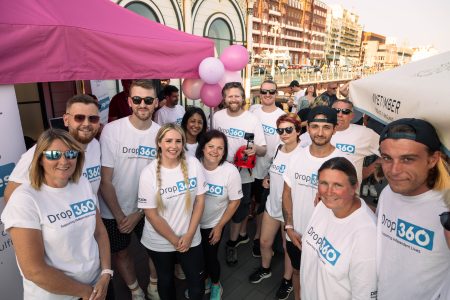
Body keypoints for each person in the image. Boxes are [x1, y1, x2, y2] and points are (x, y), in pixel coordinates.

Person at [2, 129, 111, 300]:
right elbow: (33, 270)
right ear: (39, 159)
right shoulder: (24, 199)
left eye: (71, 154)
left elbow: (99, 232)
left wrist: (106, 273)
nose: (64, 161)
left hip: (98, 286)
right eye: (53, 154)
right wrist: (85, 292)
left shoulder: (82, 183)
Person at [282, 106, 353, 300]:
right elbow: (287, 192)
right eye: (314, 126)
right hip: (296, 234)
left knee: (323, 281)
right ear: (308, 128)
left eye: (326, 127)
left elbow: (352, 204)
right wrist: (288, 226)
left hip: (327, 241)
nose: (320, 133)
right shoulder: (296, 156)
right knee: (297, 273)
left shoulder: (344, 161)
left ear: (334, 129)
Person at [99, 79, 160, 300]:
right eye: (137, 99)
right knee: (121, 252)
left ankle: (153, 285)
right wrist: (120, 216)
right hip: (113, 209)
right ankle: (135, 290)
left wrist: (139, 213)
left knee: (155, 250)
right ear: (129, 102)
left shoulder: (162, 134)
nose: (142, 104)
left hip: (149, 208)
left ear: (156, 103)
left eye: (148, 100)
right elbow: (105, 180)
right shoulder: (112, 131)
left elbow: (162, 181)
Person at [376, 118, 450, 299]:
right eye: (387, 158)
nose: (394, 171)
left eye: (407, 159)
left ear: (433, 159)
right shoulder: (388, 192)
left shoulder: (445, 207)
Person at [138, 124, 207, 300]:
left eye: (178, 141)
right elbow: (151, 214)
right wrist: (175, 240)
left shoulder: (193, 164)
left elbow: (200, 201)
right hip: (160, 240)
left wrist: (190, 234)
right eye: (168, 140)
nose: (173, 146)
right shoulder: (148, 173)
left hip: (190, 237)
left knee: (197, 284)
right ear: (159, 143)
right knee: (166, 281)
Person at [300, 157, 377, 299]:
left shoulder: (366, 235)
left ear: (354, 187)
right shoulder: (323, 206)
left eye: (338, 185)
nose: (329, 192)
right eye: (323, 183)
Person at [5, 94, 102, 201]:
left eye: (93, 118)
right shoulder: (43, 150)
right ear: (66, 120)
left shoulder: (95, 145)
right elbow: (11, 194)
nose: (86, 123)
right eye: (79, 117)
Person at [212, 82, 267, 266]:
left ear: (243, 98)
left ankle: (231, 243)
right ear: (224, 98)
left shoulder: (251, 119)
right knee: (215, 207)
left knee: (238, 211)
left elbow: (263, 150)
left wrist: (255, 150)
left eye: (237, 96)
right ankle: (213, 239)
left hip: (243, 175)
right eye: (230, 96)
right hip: (218, 172)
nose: (234, 99)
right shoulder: (217, 116)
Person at [249, 113, 301, 300]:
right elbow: (274, 169)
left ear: (297, 131)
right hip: (272, 205)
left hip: (290, 209)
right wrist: (267, 179)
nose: (284, 133)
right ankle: (265, 268)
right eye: (281, 130)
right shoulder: (279, 148)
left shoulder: (303, 153)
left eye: (289, 129)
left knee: (288, 248)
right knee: (264, 242)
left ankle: (287, 281)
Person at [191, 129, 242, 299]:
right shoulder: (193, 165)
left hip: (213, 223)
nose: (215, 151)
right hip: (192, 223)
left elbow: (235, 201)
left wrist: (220, 226)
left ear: (224, 151)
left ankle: (215, 284)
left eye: (220, 148)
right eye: (210, 146)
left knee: (211, 257)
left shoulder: (230, 171)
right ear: (203, 148)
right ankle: (204, 280)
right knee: (196, 258)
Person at [300, 99, 380, 187]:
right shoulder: (315, 132)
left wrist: (369, 170)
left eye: (346, 111)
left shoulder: (365, 133)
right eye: (336, 111)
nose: (340, 115)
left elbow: (388, 151)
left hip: (349, 194)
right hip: (315, 189)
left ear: (352, 116)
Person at [248, 80, 285, 257]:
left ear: (276, 93)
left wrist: (272, 171)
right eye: (264, 92)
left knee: (263, 207)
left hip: (268, 170)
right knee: (252, 202)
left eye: (271, 92)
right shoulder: (253, 110)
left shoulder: (282, 116)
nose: (268, 95)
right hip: (249, 167)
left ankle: (257, 237)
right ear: (259, 93)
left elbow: (283, 146)